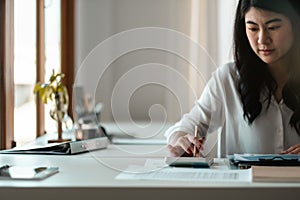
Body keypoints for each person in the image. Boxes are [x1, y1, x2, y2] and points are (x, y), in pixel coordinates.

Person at [165, 0, 300, 158]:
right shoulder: (228, 79)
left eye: (273, 28)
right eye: (253, 28)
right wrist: (181, 140)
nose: (262, 39)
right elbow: (186, 127)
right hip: (243, 183)